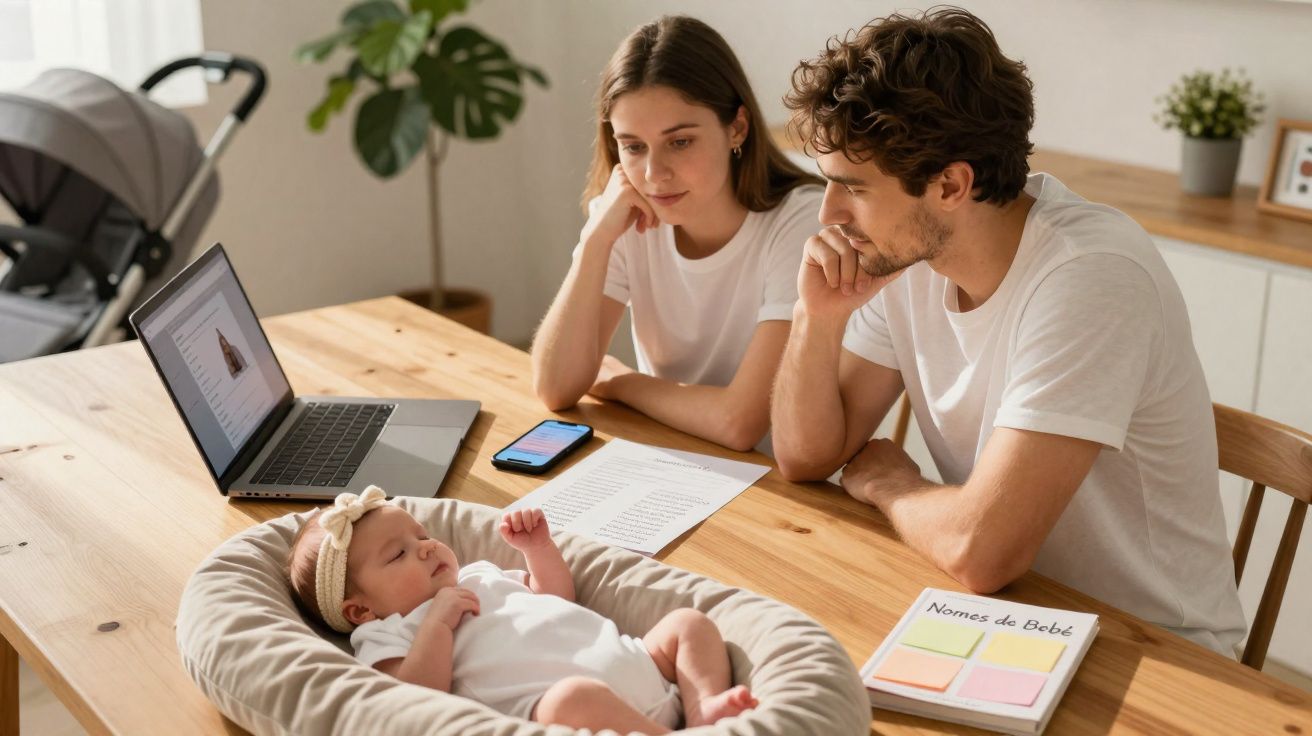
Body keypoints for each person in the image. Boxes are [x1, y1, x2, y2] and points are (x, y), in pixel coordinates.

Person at [771, 7, 1246, 655]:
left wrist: (890, 484)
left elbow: (980, 550)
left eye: (851, 189)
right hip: (1009, 614)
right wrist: (815, 318)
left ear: (951, 184)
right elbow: (805, 457)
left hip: (1155, 649)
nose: (828, 216)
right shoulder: (908, 254)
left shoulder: (1089, 275)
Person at [531, 15, 823, 454]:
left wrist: (623, 382)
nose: (654, 174)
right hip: (677, 462)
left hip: (784, 491)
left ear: (736, 128)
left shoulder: (799, 223)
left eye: (680, 142)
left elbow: (740, 423)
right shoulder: (625, 215)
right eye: (632, 146)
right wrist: (595, 240)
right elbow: (556, 387)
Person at [286, 487, 757, 733]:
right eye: (398, 554)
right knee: (569, 699)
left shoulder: (478, 574)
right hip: (576, 709)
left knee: (687, 624)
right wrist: (438, 622)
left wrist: (539, 549)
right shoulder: (390, 633)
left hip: (640, 662)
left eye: (422, 535)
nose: (427, 549)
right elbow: (415, 695)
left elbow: (555, 596)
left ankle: (701, 708)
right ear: (360, 610)